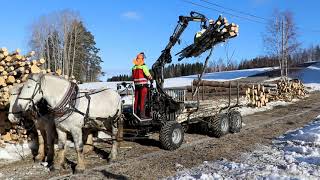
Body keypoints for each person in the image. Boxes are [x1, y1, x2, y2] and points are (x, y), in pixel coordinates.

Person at [132, 52, 152, 119]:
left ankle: (135, 113)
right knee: (142, 101)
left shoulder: (134, 67)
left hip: (136, 86)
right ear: (142, 59)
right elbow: (147, 74)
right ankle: (142, 115)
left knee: (136, 100)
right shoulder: (143, 66)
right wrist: (151, 78)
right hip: (143, 86)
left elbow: (133, 77)